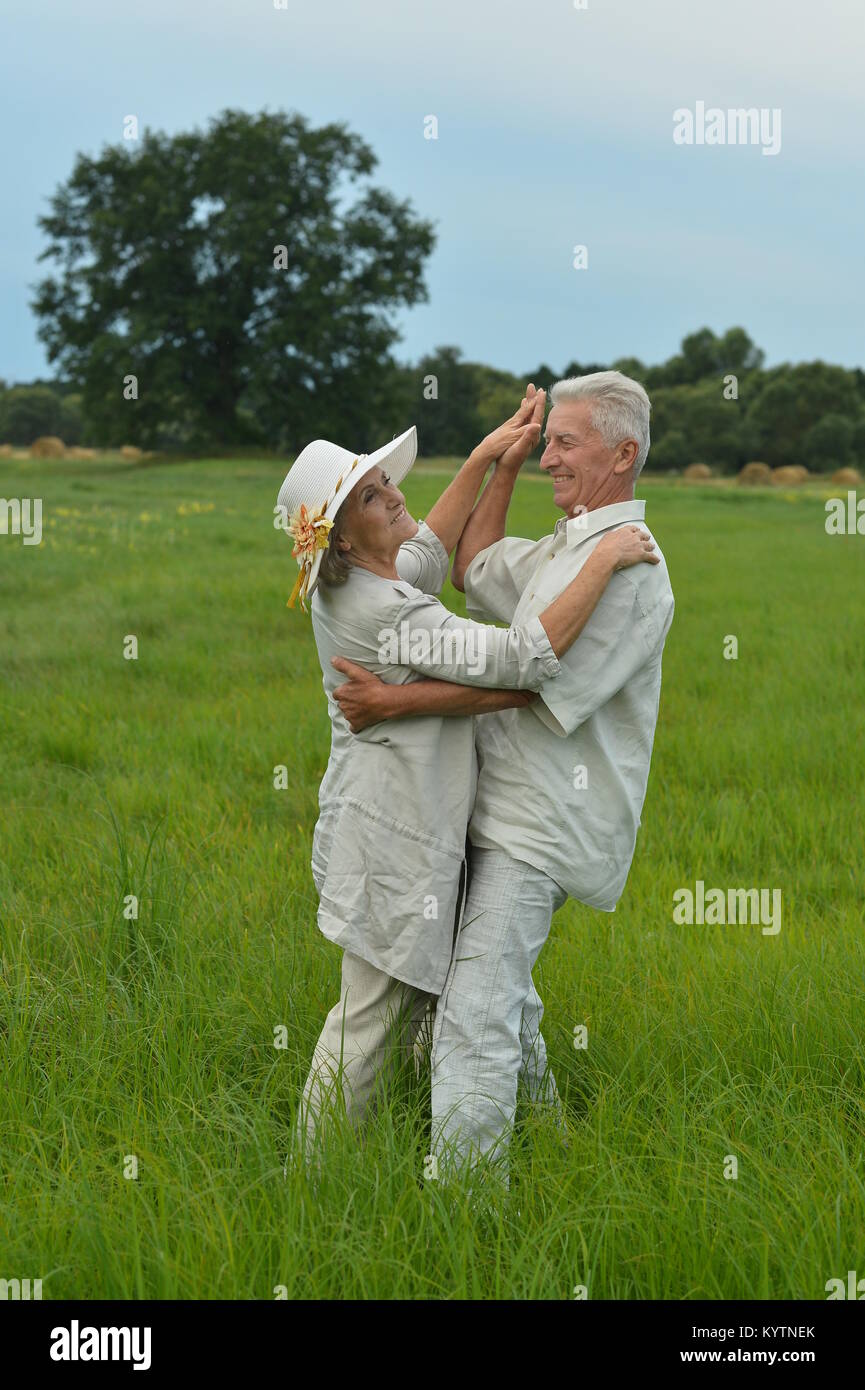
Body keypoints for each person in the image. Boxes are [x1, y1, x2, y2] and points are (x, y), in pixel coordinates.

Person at [275, 394, 659, 1162]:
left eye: (387, 483)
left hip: (410, 830)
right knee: (371, 1017)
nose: (396, 497)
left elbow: (433, 550)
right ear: (342, 540)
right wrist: (604, 557)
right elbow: (521, 662)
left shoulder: (374, 573)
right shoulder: (387, 610)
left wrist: (489, 458)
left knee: (460, 998)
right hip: (392, 838)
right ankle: (308, 1179)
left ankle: (544, 1132)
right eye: (376, 496)